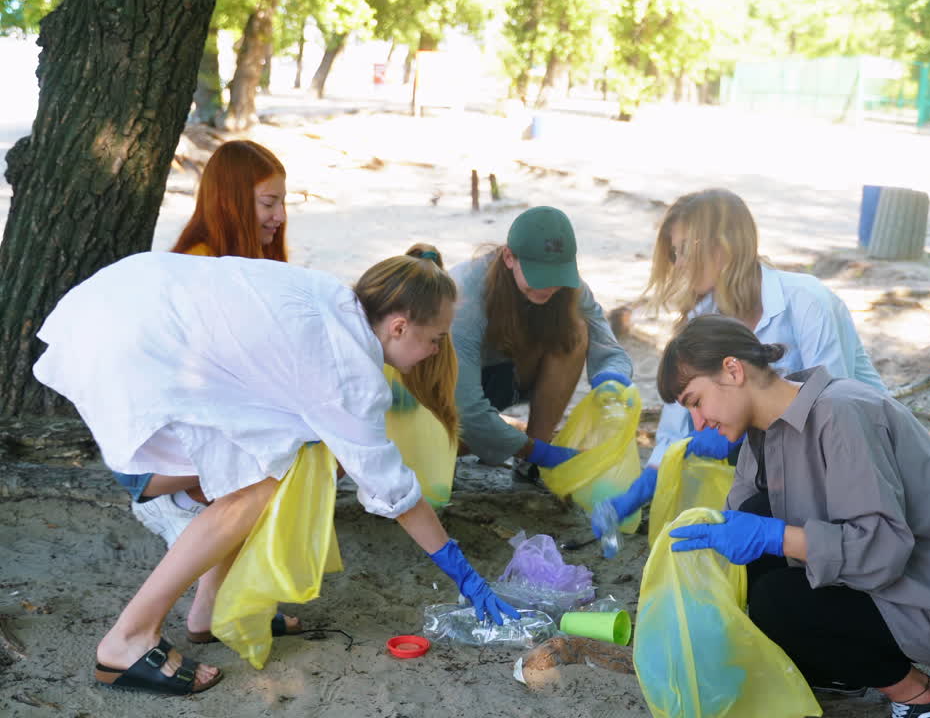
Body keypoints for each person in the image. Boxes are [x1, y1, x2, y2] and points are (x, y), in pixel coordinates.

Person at [33, 247, 519, 696]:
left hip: (126, 295)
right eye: (434, 339)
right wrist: (465, 576)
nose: (436, 351)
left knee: (269, 466)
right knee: (259, 487)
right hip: (135, 345)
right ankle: (127, 639)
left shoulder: (336, 301)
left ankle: (213, 609)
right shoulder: (349, 371)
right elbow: (394, 491)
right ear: (397, 326)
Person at [658, 315, 930, 718]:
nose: (698, 422)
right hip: (875, 580)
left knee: (777, 601)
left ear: (733, 370)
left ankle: (923, 698)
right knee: (750, 523)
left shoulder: (842, 413)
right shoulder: (757, 432)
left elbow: (883, 551)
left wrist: (775, 537)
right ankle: (840, 668)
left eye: (696, 402)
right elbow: (745, 524)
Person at [597, 188, 885, 533]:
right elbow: (678, 423)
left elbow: (832, 413)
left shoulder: (807, 302)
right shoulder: (701, 322)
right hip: (779, 459)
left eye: (686, 249)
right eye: (675, 254)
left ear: (725, 245)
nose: (680, 264)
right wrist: (640, 490)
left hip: (858, 456)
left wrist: (737, 440)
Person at [115, 139, 295, 641]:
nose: (280, 215)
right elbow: (201, 384)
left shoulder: (247, 261)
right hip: (154, 454)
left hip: (190, 440)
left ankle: (217, 605)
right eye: (268, 202)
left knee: (287, 450)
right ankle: (186, 601)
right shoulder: (199, 265)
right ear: (232, 199)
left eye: (283, 202)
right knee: (268, 462)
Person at [449, 206, 633, 481]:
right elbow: (467, 407)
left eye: (556, 275)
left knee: (577, 330)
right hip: (453, 390)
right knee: (454, 444)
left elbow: (609, 350)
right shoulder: (466, 294)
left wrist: (611, 379)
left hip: (507, 375)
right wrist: (538, 452)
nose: (548, 286)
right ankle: (530, 453)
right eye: (538, 275)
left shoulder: (571, 287)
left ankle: (529, 464)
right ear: (509, 258)